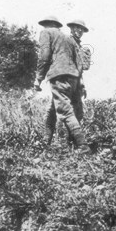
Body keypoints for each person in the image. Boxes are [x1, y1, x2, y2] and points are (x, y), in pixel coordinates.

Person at [35, 16, 90, 154]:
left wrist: (38, 78)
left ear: (46, 25)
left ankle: (83, 146)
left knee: (65, 111)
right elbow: (79, 64)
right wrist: (80, 84)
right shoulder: (67, 39)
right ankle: (45, 141)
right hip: (73, 78)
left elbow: (44, 56)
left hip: (59, 76)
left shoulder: (46, 33)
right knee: (53, 109)